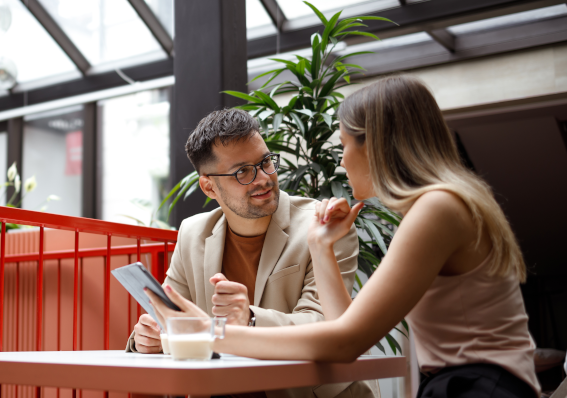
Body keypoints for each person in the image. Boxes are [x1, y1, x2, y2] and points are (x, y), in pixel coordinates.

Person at [146, 75, 541, 398]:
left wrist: (211, 333)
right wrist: (321, 244)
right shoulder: (443, 203)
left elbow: (344, 341)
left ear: (377, 147)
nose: (342, 157)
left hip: (481, 388)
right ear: (209, 186)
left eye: (345, 143)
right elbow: (343, 327)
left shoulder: (437, 209)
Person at [126, 108, 378, 398]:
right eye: (242, 171)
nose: (263, 178)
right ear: (209, 186)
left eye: (266, 162)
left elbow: (329, 327)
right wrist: (148, 336)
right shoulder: (193, 232)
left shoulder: (324, 226)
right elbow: (173, 315)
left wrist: (250, 318)